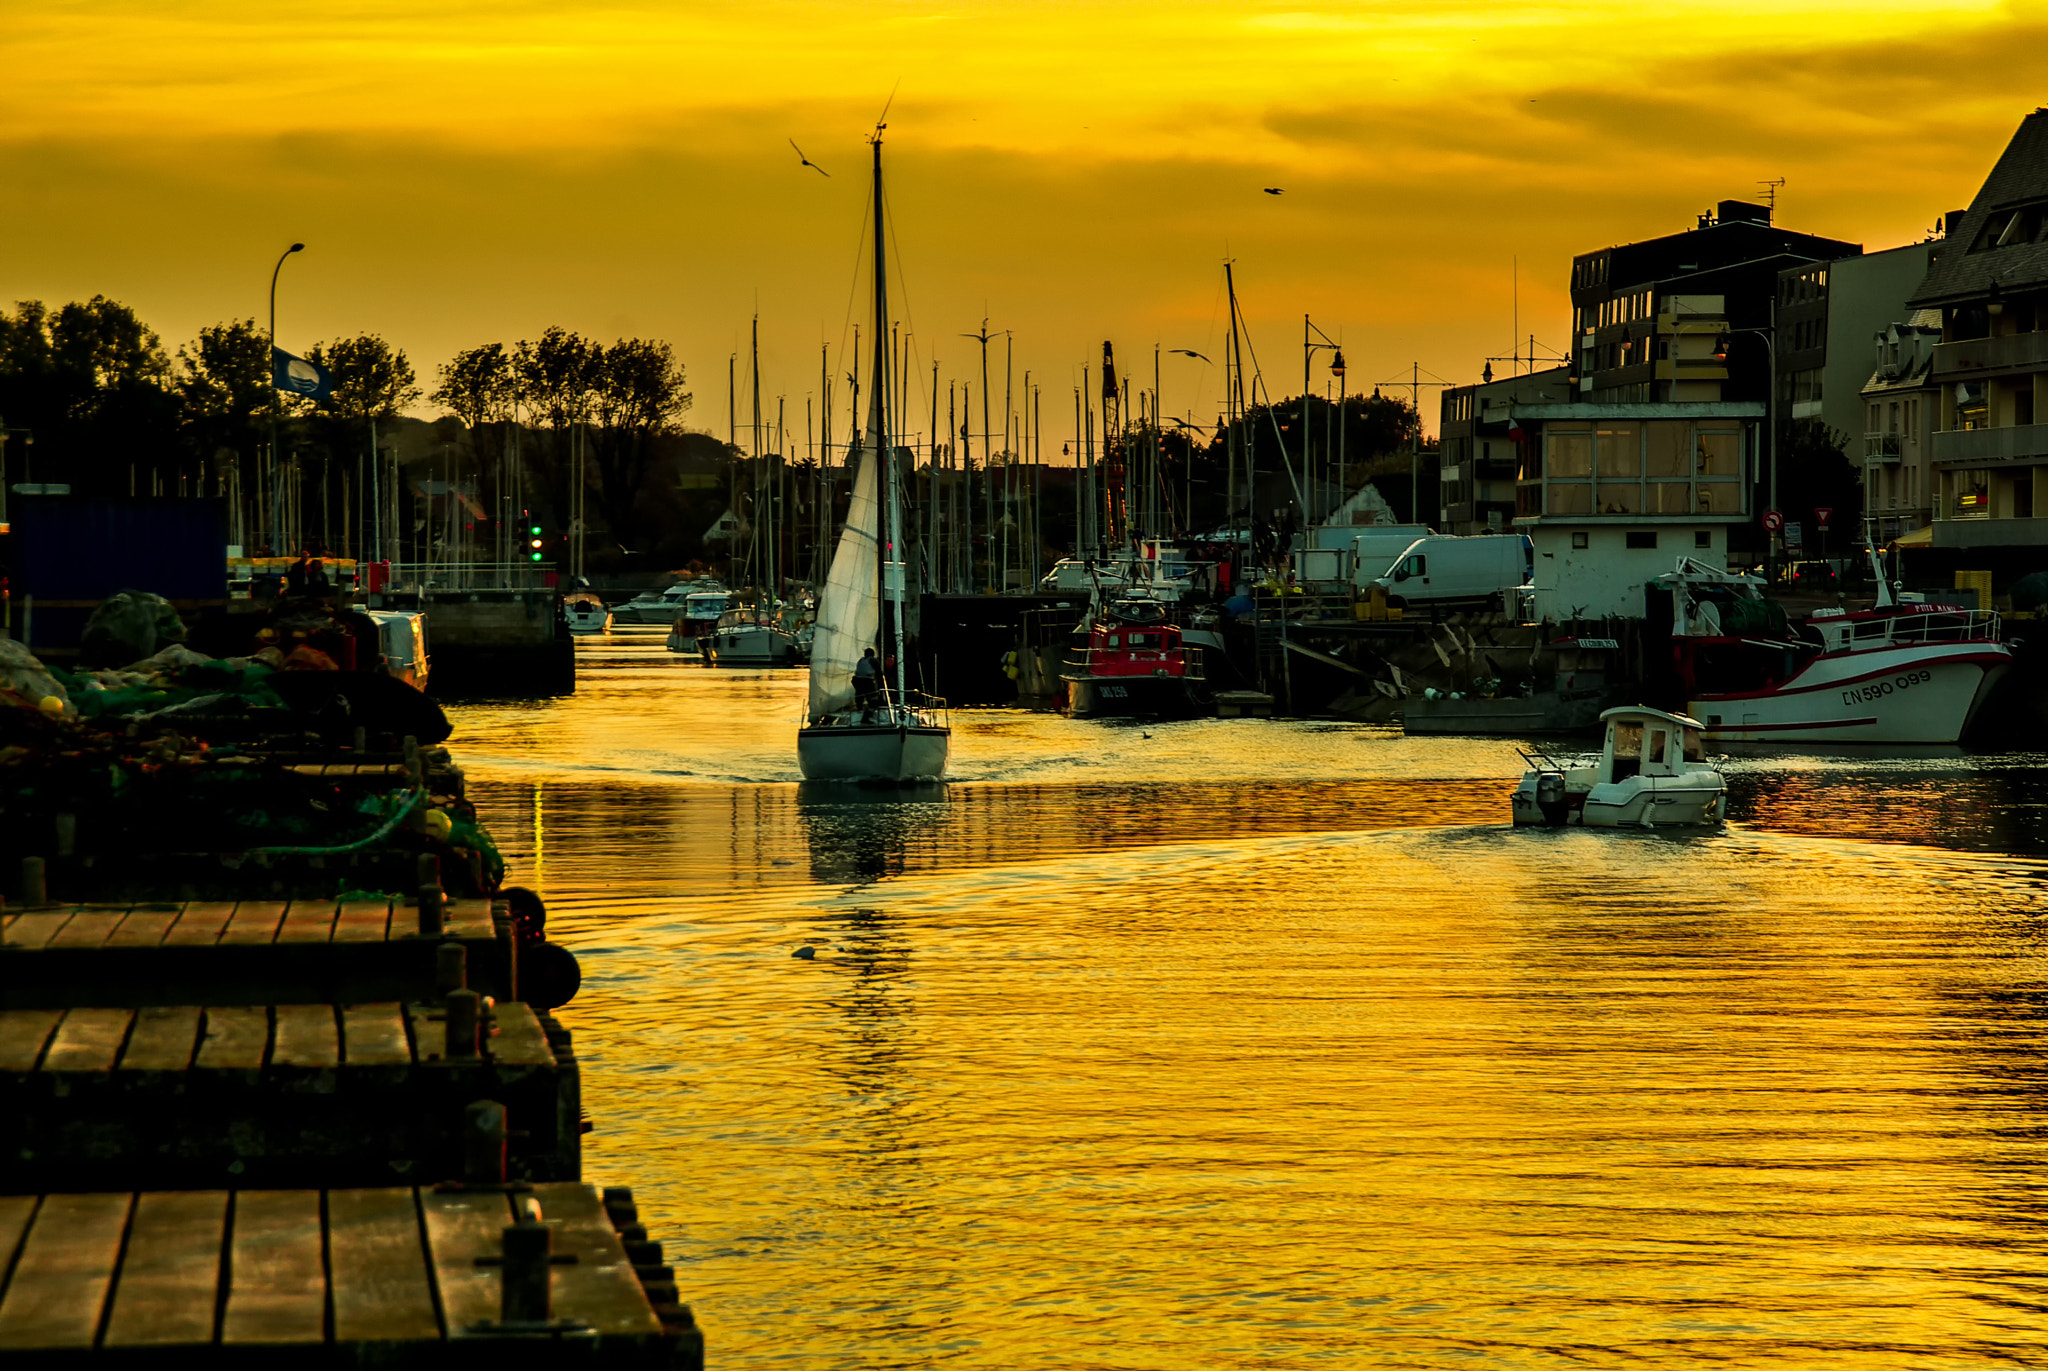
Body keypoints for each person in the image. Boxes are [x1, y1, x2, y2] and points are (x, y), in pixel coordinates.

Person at [852, 647, 880, 718]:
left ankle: (859, 710)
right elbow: (879, 672)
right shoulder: (873, 660)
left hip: (857, 681)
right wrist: (880, 683)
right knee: (872, 698)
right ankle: (868, 715)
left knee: (859, 698)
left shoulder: (861, 660)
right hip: (867, 681)